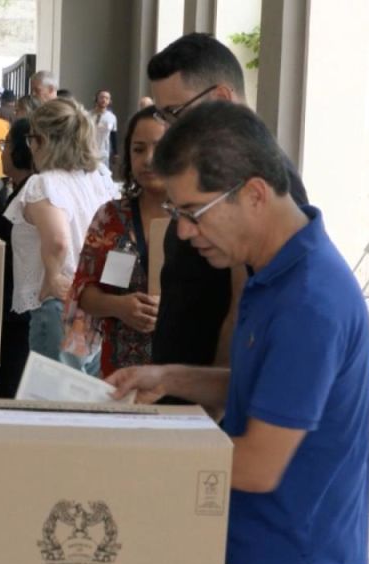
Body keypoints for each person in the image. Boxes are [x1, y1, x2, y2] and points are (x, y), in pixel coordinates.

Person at [108, 102, 369, 564]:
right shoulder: (270, 270)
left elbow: (256, 464)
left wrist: (132, 456)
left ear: (253, 193)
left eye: (192, 213)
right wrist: (171, 377)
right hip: (252, 545)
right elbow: (261, 390)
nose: (183, 232)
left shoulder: (311, 299)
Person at [147, 32, 308, 374]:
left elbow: (243, 307)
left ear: (221, 98)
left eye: (174, 113)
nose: (166, 130)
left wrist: (212, 409)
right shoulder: (208, 171)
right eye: (162, 116)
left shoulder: (253, 177)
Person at [4, 97, 118, 359]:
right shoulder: (98, 178)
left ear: (43, 140)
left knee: (50, 395)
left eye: (32, 139)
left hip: (58, 306)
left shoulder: (44, 184)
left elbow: (57, 240)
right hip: (94, 305)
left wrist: (53, 277)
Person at [67, 106, 169, 377]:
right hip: (120, 372)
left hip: (184, 375)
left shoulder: (202, 219)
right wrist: (120, 306)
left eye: (160, 147)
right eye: (138, 149)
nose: (148, 159)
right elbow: (84, 291)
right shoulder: (112, 216)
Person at [0, 117, 36, 398]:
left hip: (18, 313)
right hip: (8, 309)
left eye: (5, 145)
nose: (1, 151)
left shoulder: (32, 194)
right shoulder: (18, 190)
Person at [91, 90, 118, 172]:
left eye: (106, 98)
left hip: (104, 152)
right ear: (96, 99)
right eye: (101, 97)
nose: (104, 100)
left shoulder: (112, 117)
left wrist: (115, 152)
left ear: (110, 101)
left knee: (103, 174)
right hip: (89, 150)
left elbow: (113, 134)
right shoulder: (87, 115)